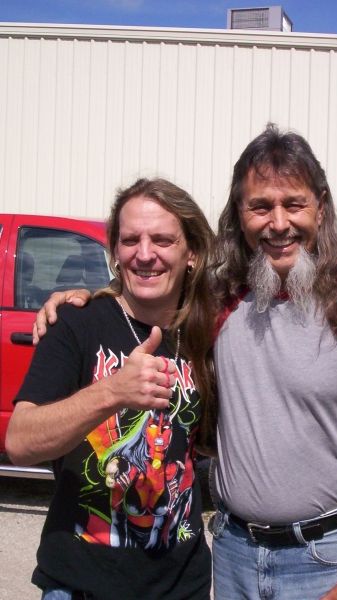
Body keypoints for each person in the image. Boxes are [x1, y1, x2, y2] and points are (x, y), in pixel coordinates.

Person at [33, 124, 337, 599]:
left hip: (331, 562)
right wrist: (87, 299)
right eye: (260, 207)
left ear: (321, 207)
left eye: (294, 204)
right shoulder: (220, 303)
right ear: (239, 214)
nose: (278, 223)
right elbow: (149, 288)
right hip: (235, 557)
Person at [8, 178, 217, 599]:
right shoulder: (76, 323)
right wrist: (112, 392)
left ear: (191, 253)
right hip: (81, 586)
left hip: (181, 588)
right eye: (130, 240)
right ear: (115, 252)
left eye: (162, 240)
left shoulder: (208, 334)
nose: (145, 254)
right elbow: (20, 442)